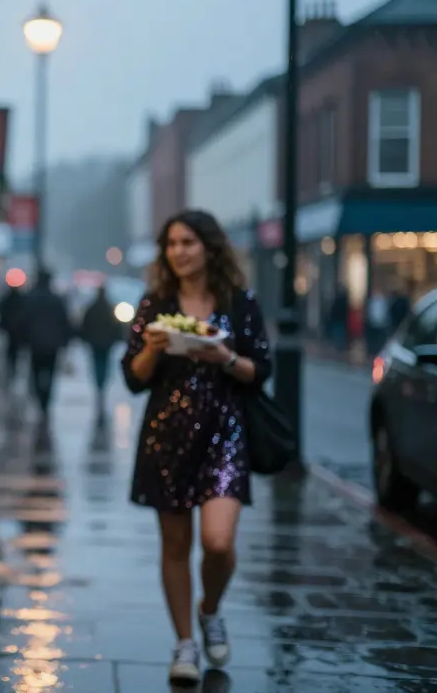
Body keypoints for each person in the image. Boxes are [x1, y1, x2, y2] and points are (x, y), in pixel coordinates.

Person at [121, 210, 271, 686]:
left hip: (224, 434)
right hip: (167, 435)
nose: (179, 251)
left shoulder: (238, 302)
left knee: (218, 543)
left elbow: (260, 370)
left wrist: (224, 356)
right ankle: (185, 642)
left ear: (209, 246)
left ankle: (210, 610)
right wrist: (154, 347)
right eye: (171, 243)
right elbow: (132, 377)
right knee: (175, 544)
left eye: (188, 242)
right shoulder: (156, 303)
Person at [20, 269, 73, 416]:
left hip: (35, 344)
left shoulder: (30, 299)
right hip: (52, 345)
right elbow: (65, 322)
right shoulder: (56, 300)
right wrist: (65, 341)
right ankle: (45, 400)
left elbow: (23, 322)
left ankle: (40, 398)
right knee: (50, 373)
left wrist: (23, 340)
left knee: (36, 373)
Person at [79, 283, 125, 414]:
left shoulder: (92, 308)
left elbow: (85, 325)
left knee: (97, 363)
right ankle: (101, 383)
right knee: (104, 363)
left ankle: (99, 384)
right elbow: (117, 326)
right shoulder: (109, 308)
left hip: (96, 343)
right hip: (106, 343)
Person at [0, 285, 25, 386]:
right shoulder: (22, 299)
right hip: (18, 332)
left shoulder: (6, 299)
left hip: (10, 331)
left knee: (10, 353)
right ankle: (13, 373)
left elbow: (1, 311)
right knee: (15, 354)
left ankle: (11, 372)